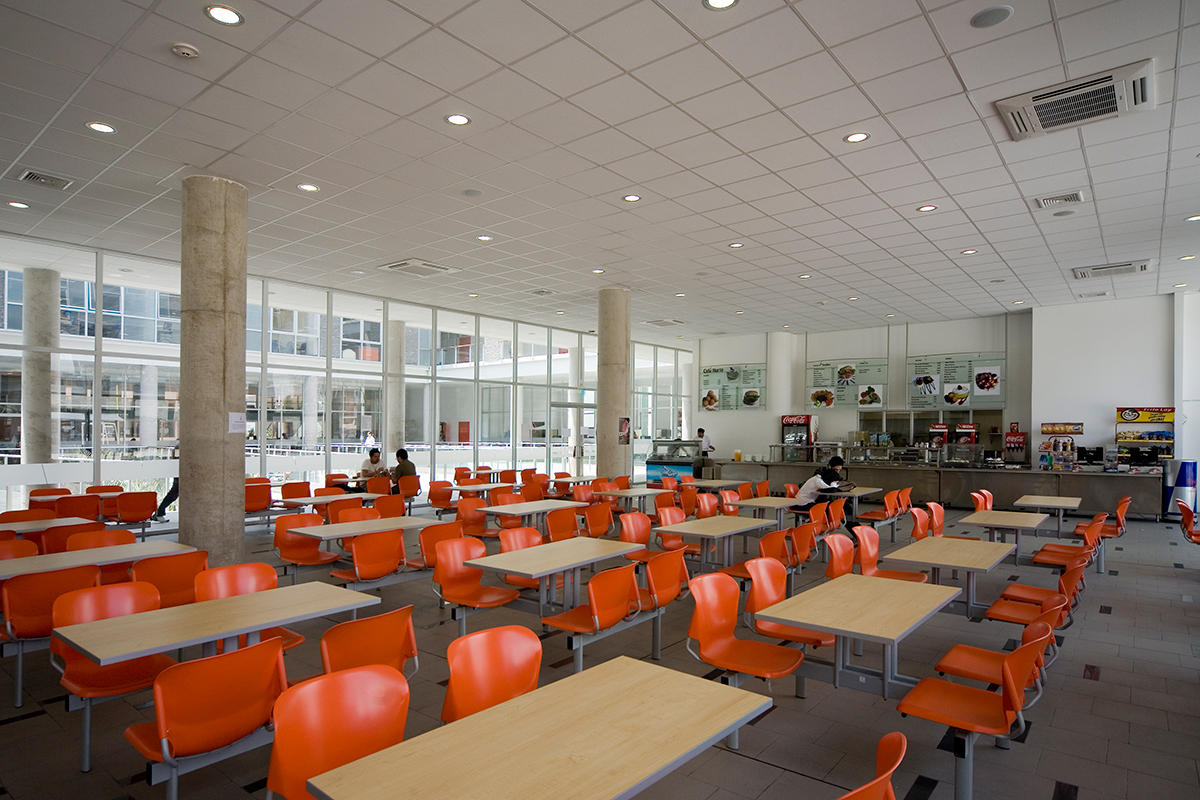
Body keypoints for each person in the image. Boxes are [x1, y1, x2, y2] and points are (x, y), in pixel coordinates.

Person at [154, 445, 180, 522]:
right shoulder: (180, 447)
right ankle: (159, 512)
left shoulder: (179, 446)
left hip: (179, 474)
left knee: (173, 494)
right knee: (173, 494)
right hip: (179, 474)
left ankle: (159, 512)